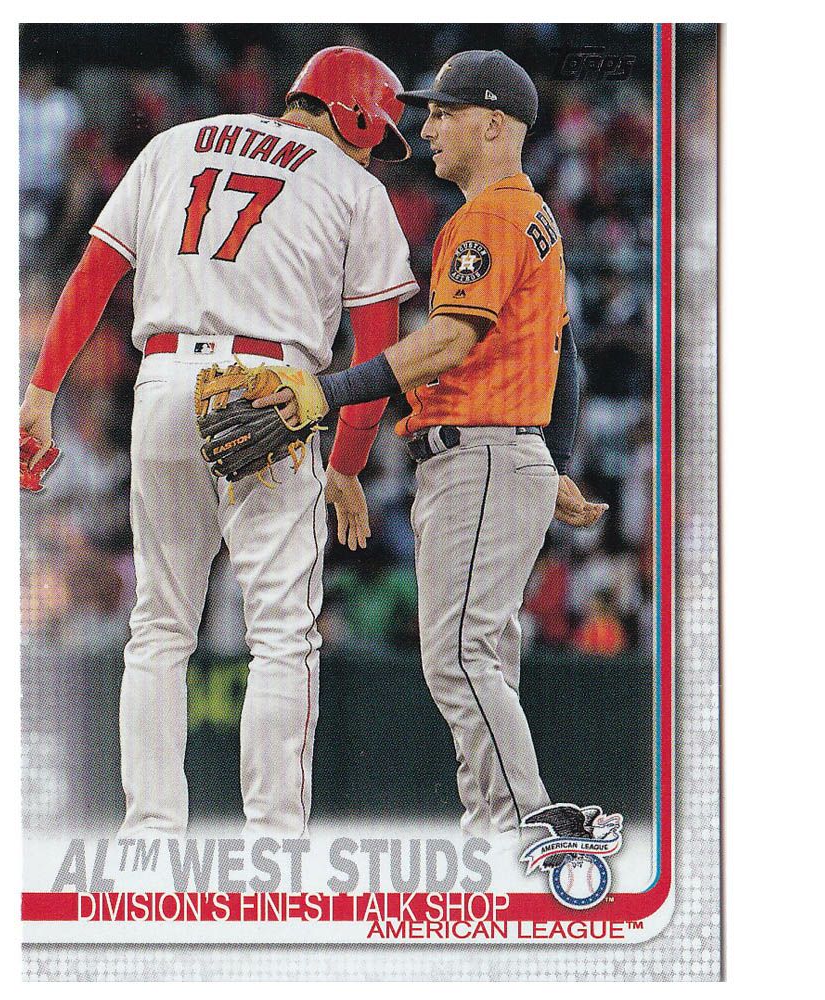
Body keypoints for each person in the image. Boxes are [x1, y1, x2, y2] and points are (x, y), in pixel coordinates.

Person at [19, 46, 419, 838]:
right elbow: (378, 349)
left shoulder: (177, 143)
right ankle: (272, 841)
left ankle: (150, 834)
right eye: (377, 134)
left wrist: (40, 393)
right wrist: (346, 464)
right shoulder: (354, 188)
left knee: (159, 625)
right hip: (271, 388)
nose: (376, 152)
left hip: (164, 378)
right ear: (352, 113)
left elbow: (94, 274)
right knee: (282, 634)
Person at [257, 50, 607, 845]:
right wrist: (552, 458)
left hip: (479, 455)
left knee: (457, 656)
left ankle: (526, 821)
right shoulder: (532, 214)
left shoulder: (488, 218)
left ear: (496, 125)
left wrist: (326, 392)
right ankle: (496, 827)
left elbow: (450, 341)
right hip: (504, 453)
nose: (428, 127)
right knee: (482, 657)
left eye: (446, 112)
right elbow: (567, 355)